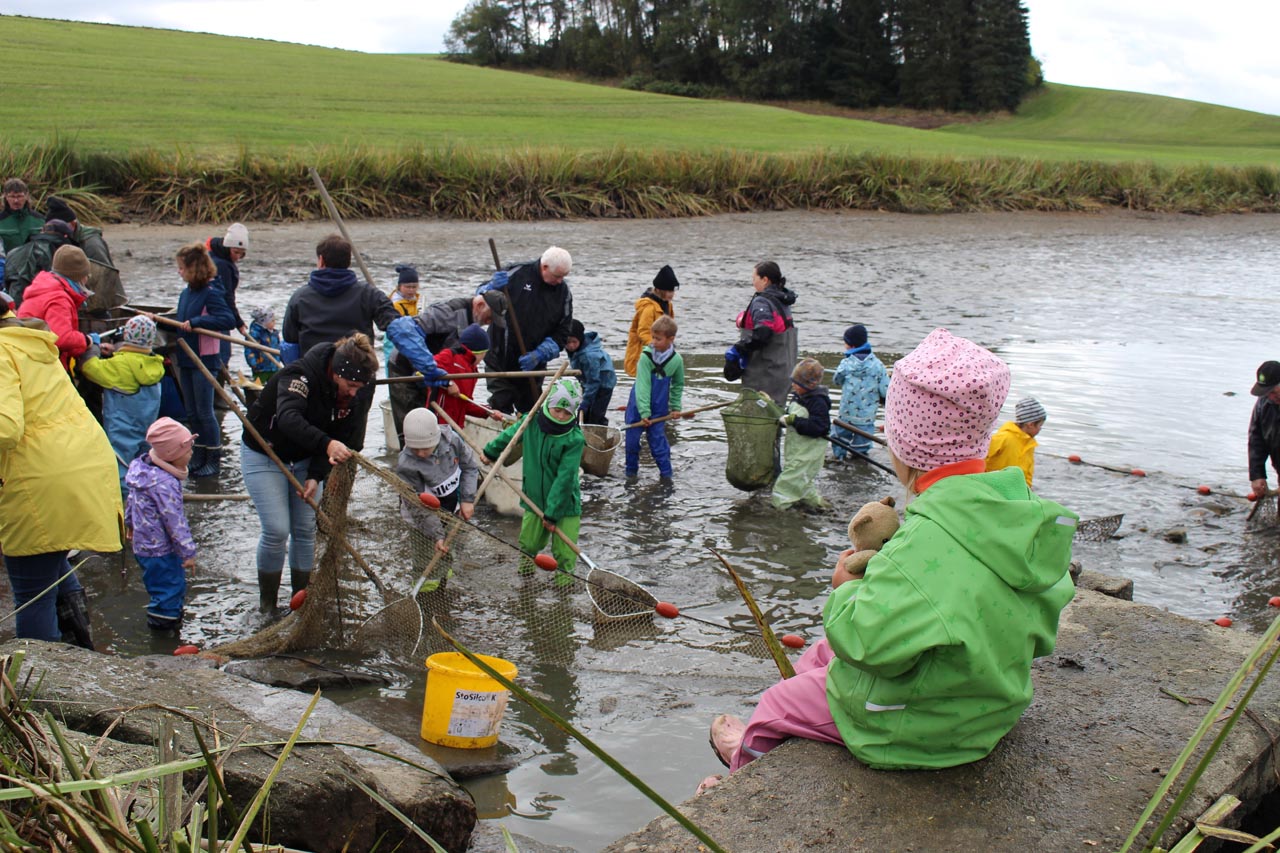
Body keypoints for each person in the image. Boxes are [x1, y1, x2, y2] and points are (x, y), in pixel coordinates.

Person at [703, 329, 1076, 790]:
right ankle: (809, 701)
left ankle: (742, 774)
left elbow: (866, 640)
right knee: (820, 652)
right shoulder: (1019, 515)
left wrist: (847, 587)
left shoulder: (922, 544)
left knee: (776, 705)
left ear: (903, 447)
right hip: (989, 702)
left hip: (920, 727)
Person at [0, 295, 122, 649]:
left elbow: (5, 428)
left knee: (32, 592)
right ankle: (79, 656)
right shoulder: (26, 338)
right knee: (52, 568)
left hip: (41, 476)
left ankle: (44, 687)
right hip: (80, 458)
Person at [242, 332, 378, 612]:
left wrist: (316, 475)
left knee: (304, 529)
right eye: (350, 385)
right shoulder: (299, 376)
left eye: (359, 387)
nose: (354, 392)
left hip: (306, 459)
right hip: (265, 453)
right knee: (277, 530)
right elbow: (289, 418)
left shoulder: (354, 393)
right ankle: (267, 606)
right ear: (336, 373)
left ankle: (299, 603)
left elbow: (342, 433)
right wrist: (327, 445)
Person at [482, 377, 585, 586]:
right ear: (549, 403)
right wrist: (490, 451)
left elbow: (565, 478)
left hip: (564, 505)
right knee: (528, 544)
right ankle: (525, 582)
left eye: (567, 413)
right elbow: (511, 436)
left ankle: (563, 591)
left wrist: (553, 513)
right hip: (534, 499)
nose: (562, 416)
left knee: (564, 554)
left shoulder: (574, 439)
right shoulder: (532, 420)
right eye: (558, 410)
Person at [385, 292, 496, 443]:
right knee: (413, 429)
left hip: (435, 378)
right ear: (480, 306)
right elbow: (410, 337)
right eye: (489, 316)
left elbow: (463, 402)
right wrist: (443, 381)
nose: (489, 322)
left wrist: (487, 411)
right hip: (406, 366)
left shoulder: (469, 365)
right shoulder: (446, 313)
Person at [124, 417, 198, 632]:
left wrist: (130, 524)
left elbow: (131, 501)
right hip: (161, 549)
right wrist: (188, 551)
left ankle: (166, 618)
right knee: (170, 589)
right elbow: (175, 521)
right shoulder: (165, 483)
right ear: (172, 455)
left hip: (143, 546)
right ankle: (165, 631)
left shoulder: (141, 472)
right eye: (188, 450)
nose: (191, 453)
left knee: (157, 587)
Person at [480, 246, 574, 414]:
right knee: (501, 404)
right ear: (544, 267)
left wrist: (541, 353)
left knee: (531, 409)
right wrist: (491, 287)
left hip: (533, 364)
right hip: (499, 357)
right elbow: (480, 299)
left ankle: (529, 437)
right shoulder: (516, 274)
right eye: (557, 276)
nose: (560, 281)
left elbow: (563, 332)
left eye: (563, 277)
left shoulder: (563, 294)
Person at [395, 408, 480, 592]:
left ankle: (443, 582)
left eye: (425, 448)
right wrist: (436, 535)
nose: (420, 453)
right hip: (422, 519)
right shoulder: (406, 464)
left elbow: (470, 468)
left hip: (451, 510)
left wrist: (467, 499)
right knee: (426, 558)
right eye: (415, 449)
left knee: (448, 551)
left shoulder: (453, 441)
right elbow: (418, 506)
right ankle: (426, 595)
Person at [78, 315, 166, 491]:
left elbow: (89, 368)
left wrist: (93, 347)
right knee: (142, 465)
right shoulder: (155, 363)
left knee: (120, 469)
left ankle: (125, 507)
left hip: (121, 430)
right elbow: (133, 360)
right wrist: (114, 352)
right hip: (145, 428)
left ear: (126, 335)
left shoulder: (120, 365)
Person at [171, 242, 236, 478]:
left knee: (205, 411)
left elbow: (226, 319)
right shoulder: (186, 293)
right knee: (191, 412)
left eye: (181, 268)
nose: (179, 272)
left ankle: (213, 457)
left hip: (204, 359)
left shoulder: (211, 292)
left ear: (194, 268)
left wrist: (198, 322)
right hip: (186, 357)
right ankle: (198, 454)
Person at [281, 234, 400, 359]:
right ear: (348, 262)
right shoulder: (369, 294)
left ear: (321, 261)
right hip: (359, 371)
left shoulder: (300, 298)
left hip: (315, 372)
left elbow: (290, 341)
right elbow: (397, 327)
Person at [724, 261, 798, 405]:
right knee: (775, 415)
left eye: (754, 278)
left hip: (764, 374)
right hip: (784, 373)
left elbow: (763, 333)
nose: (753, 283)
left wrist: (739, 347)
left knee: (755, 416)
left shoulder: (762, 302)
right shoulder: (783, 299)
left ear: (765, 280)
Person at [16, 244, 97, 371]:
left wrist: (79, 347)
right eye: (87, 275)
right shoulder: (59, 299)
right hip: (41, 364)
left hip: (27, 356)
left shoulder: (45, 287)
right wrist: (86, 340)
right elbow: (60, 337)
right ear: (80, 276)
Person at [624, 315, 686, 480]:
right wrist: (644, 412)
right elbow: (643, 385)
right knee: (631, 444)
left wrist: (675, 407)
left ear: (670, 339)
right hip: (637, 407)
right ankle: (631, 475)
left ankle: (666, 476)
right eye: (653, 337)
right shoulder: (646, 357)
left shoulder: (677, 360)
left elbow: (678, 385)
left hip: (659, 409)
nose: (653, 342)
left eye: (658, 339)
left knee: (658, 445)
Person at [772, 358, 832, 510]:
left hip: (809, 452)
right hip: (797, 448)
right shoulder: (798, 395)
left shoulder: (818, 401)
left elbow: (820, 427)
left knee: (786, 482)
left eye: (796, 383)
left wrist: (794, 420)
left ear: (809, 384)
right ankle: (817, 505)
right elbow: (790, 414)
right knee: (802, 479)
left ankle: (779, 510)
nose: (793, 385)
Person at [428, 323, 506, 429]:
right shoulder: (450, 356)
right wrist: (448, 383)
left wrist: (488, 412)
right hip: (438, 423)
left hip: (456, 426)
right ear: (481, 352)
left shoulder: (472, 371)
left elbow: (465, 404)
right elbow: (427, 367)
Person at [830, 324, 890, 460]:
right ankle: (859, 462)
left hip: (846, 414)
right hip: (866, 417)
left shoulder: (846, 363)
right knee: (862, 445)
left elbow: (836, 380)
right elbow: (885, 390)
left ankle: (839, 459)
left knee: (839, 439)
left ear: (851, 345)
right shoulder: (878, 365)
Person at [206, 222, 249, 366]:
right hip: (217, 312)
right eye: (235, 252)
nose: (238, 257)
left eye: (241, 253)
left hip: (211, 311)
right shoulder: (222, 265)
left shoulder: (215, 255)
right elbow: (228, 296)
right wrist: (239, 322)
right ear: (227, 247)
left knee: (219, 355)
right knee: (222, 355)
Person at [3, 219, 75, 305]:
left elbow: (6, 281)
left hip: (11, 304)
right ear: (65, 236)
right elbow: (54, 283)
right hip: (37, 305)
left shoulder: (14, 251)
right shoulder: (54, 251)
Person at [624, 264, 678, 377]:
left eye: (673, 290)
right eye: (669, 291)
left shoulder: (668, 305)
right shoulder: (649, 308)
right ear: (659, 290)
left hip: (660, 350)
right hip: (644, 353)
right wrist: (658, 346)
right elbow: (643, 332)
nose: (672, 294)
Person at [986, 397, 1047, 487]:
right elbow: (981, 459)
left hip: (1014, 490)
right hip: (994, 486)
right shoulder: (1003, 438)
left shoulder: (1030, 444)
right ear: (1030, 424)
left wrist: (1028, 490)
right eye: (1040, 425)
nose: (1040, 429)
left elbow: (1028, 473)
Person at [566, 318, 617, 426]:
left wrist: (585, 402)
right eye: (567, 342)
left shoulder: (589, 356)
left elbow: (594, 381)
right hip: (588, 380)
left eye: (574, 342)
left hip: (604, 384)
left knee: (595, 414)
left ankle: (599, 432)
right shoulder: (576, 350)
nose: (571, 346)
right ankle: (584, 427)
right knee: (585, 413)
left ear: (580, 339)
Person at [43, 195, 113, 266]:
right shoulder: (53, 241)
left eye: (59, 228)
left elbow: (103, 272)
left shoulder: (91, 244)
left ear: (73, 223)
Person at [1248, 360, 1280, 499]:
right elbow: (1256, 439)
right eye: (1267, 393)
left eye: (1273, 391)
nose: (1270, 397)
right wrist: (1257, 474)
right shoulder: (1264, 403)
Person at [383, 264, 422, 373]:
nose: (411, 290)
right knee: (394, 367)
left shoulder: (414, 301)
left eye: (414, 287)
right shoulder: (395, 304)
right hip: (394, 339)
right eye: (407, 287)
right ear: (400, 286)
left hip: (410, 336)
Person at [0, 178, 44, 254]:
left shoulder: (40, 220)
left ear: (26, 196)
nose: (16, 201)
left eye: (19, 196)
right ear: (6, 197)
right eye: (12, 196)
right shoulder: (1, 221)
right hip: (8, 264)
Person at [245, 305, 281, 385]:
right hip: (261, 367)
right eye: (272, 321)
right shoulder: (254, 335)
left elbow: (278, 347)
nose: (274, 322)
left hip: (274, 366)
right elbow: (249, 350)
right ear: (264, 322)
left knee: (275, 386)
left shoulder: (274, 334)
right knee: (258, 385)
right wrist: (253, 364)